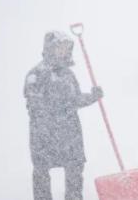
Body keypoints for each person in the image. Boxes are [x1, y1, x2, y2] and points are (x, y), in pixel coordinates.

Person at [24, 31, 103, 200]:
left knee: (75, 168)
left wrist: (91, 97)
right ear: (50, 48)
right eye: (60, 48)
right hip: (44, 135)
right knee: (42, 173)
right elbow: (35, 106)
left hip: (70, 133)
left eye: (66, 48)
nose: (63, 52)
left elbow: (74, 99)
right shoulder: (35, 75)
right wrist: (61, 107)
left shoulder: (68, 74)